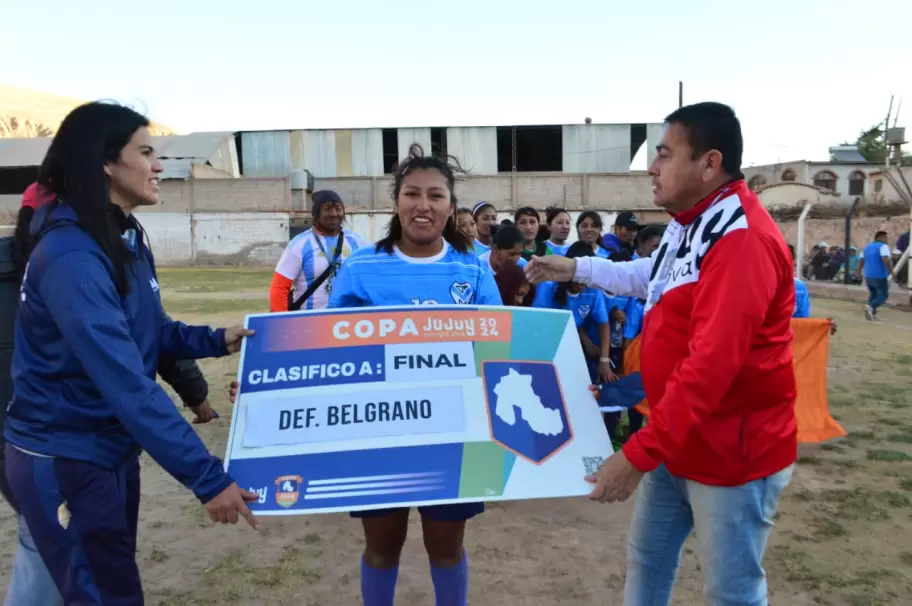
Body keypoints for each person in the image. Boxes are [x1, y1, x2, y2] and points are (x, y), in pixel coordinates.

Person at [526, 101, 796, 606]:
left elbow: (711, 368)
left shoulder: (742, 241)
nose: (652, 167)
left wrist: (636, 454)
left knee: (731, 592)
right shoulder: (690, 221)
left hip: (731, 452)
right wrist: (575, 270)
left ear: (709, 163)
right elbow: (648, 276)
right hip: (676, 435)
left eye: (665, 154)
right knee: (647, 560)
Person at [4, 102, 258, 605]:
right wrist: (206, 478)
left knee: (100, 583)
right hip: (65, 454)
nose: (159, 166)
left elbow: (150, 331)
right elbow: (127, 384)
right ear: (105, 163)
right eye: (145, 152)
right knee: (102, 593)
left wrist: (216, 339)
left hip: (108, 451)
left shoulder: (124, 234)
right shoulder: (72, 255)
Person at [328, 143, 502, 606]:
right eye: (411, 194)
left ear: (450, 205)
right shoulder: (360, 268)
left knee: (446, 550)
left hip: (452, 434)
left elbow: (498, 349)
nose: (422, 205)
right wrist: (274, 387)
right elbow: (325, 351)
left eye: (435, 195)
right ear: (396, 201)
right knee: (382, 549)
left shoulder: (474, 270)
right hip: (377, 434)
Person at [269, 189, 368, 312]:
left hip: (347, 323)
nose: (334, 213)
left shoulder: (356, 241)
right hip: (310, 323)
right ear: (316, 213)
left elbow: (370, 279)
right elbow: (280, 287)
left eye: (338, 208)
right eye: (327, 208)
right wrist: (280, 321)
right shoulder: (299, 244)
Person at [533, 241, 615, 384]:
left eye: (587, 277)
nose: (583, 282)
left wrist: (604, 360)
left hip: (575, 345)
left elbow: (603, 323)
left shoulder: (594, 290)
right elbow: (537, 321)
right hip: (547, 344)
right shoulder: (549, 286)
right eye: (579, 276)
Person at [857, 230, 893, 321]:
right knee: (883, 295)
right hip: (879, 275)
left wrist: (858, 271)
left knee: (873, 294)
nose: (887, 239)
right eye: (885, 237)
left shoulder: (867, 247)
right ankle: (871, 307)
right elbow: (885, 259)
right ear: (879, 237)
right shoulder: (883, 246)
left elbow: (861, 260)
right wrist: (891, 271)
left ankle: (870, 314)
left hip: (868, 275)